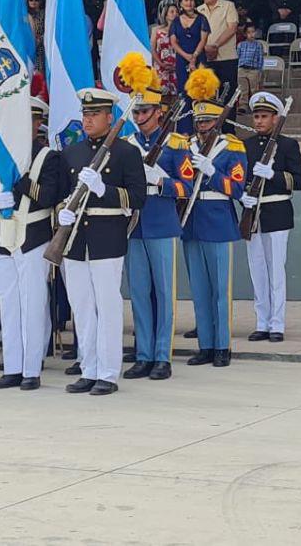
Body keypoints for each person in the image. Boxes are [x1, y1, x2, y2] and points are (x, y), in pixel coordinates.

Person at [57, 88, 145, 396]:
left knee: (107, 306)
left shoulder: (126, 153)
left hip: (107, 236)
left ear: (110, 117)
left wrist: (103, 190)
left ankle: (108, 372)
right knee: (81, 306)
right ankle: (88, 368)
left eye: (94, 114)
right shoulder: (72, 152)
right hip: (77, 238)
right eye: (85, 114)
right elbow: (62, 194)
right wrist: (62, 214)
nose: (88, 119)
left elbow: (137, 197)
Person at [0, 98, 69, 391]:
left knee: (33, 303)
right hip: (3, 237)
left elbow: (48, 196)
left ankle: (31, 369)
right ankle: (12, 366)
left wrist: (19, 180)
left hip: (32, 235)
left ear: (38, 124)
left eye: (29, 120)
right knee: (8, 305)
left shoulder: (48, 157)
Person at [180, 69, 246, 368]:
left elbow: (237, 188)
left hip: (219, 221)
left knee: (221, 290)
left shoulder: (233, 147)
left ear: (218, 121)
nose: (202, 126)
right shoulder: (186, 146)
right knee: (200, 290)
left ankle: (222, 346)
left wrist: (212, 172)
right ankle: (205, 344)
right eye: (199, 121)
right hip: (192, 222)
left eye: (207, 121)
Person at [124, 86, 189, 382]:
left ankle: (163, 356)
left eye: (144, 112)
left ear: (159, 113)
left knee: (164, 292)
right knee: (138, 292)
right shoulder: (126, 144)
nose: (139, 117)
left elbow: (189, 186)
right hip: (135, 223)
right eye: (136, 112)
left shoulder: (176, 144)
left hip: (162, 220)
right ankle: (143, 355)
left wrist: (163, 184)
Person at [240, 92, 301, 342]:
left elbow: (300, 181)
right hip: (253, 212)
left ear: (276, 118)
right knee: (257, 270)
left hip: (277, 212)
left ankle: (277, 324)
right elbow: (242, 179)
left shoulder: (288, 145)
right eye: (256, 116)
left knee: (275, 271)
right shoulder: (246, 146)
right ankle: (262, 322)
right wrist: (242, 196)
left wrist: (273, 175)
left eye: (264, 116)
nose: (258, 121)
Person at [199, 0, 240, 102]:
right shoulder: (198, 10)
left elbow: (232, 28)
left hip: (227, 58)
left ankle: (227, 121)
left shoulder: (228, 6)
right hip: (205, 59)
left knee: (228, 96)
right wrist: (205, 48)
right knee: (207, 96)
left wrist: (215, 45)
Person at [169, 0, 210, 91]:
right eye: (186, 0)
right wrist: (186, 56)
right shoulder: (176, 21)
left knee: (199, 89)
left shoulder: (202, 19)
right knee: (184, 88)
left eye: (191, 0)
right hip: (182, 58)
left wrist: (194, 56)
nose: (189, 3)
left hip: (198, 57)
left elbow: (203, 40)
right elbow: (173, 42)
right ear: (181, 3)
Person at [236, 24, 264, 111]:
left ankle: (255, 105)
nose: (251, 34)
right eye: (248, 32)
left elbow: (260, 58)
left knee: (254, 89)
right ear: (245, 34)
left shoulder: (258, 45)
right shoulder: (241, 45)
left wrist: (259, 71)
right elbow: (237, 57)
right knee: (243, 89)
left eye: (253, 32)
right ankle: (243, 106)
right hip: (242, 69)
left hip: (253, 70)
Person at [151, 3, 179, 92]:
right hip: (160, 68)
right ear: (166, 15)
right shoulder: (157, 30)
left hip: (176, 69)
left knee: (176, 97)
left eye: (176, 12)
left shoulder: (181, 31)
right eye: (172, 12)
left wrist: (176, 66)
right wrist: (161, 64)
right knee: (161, 96)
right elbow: (152, 49)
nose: (175, 14)